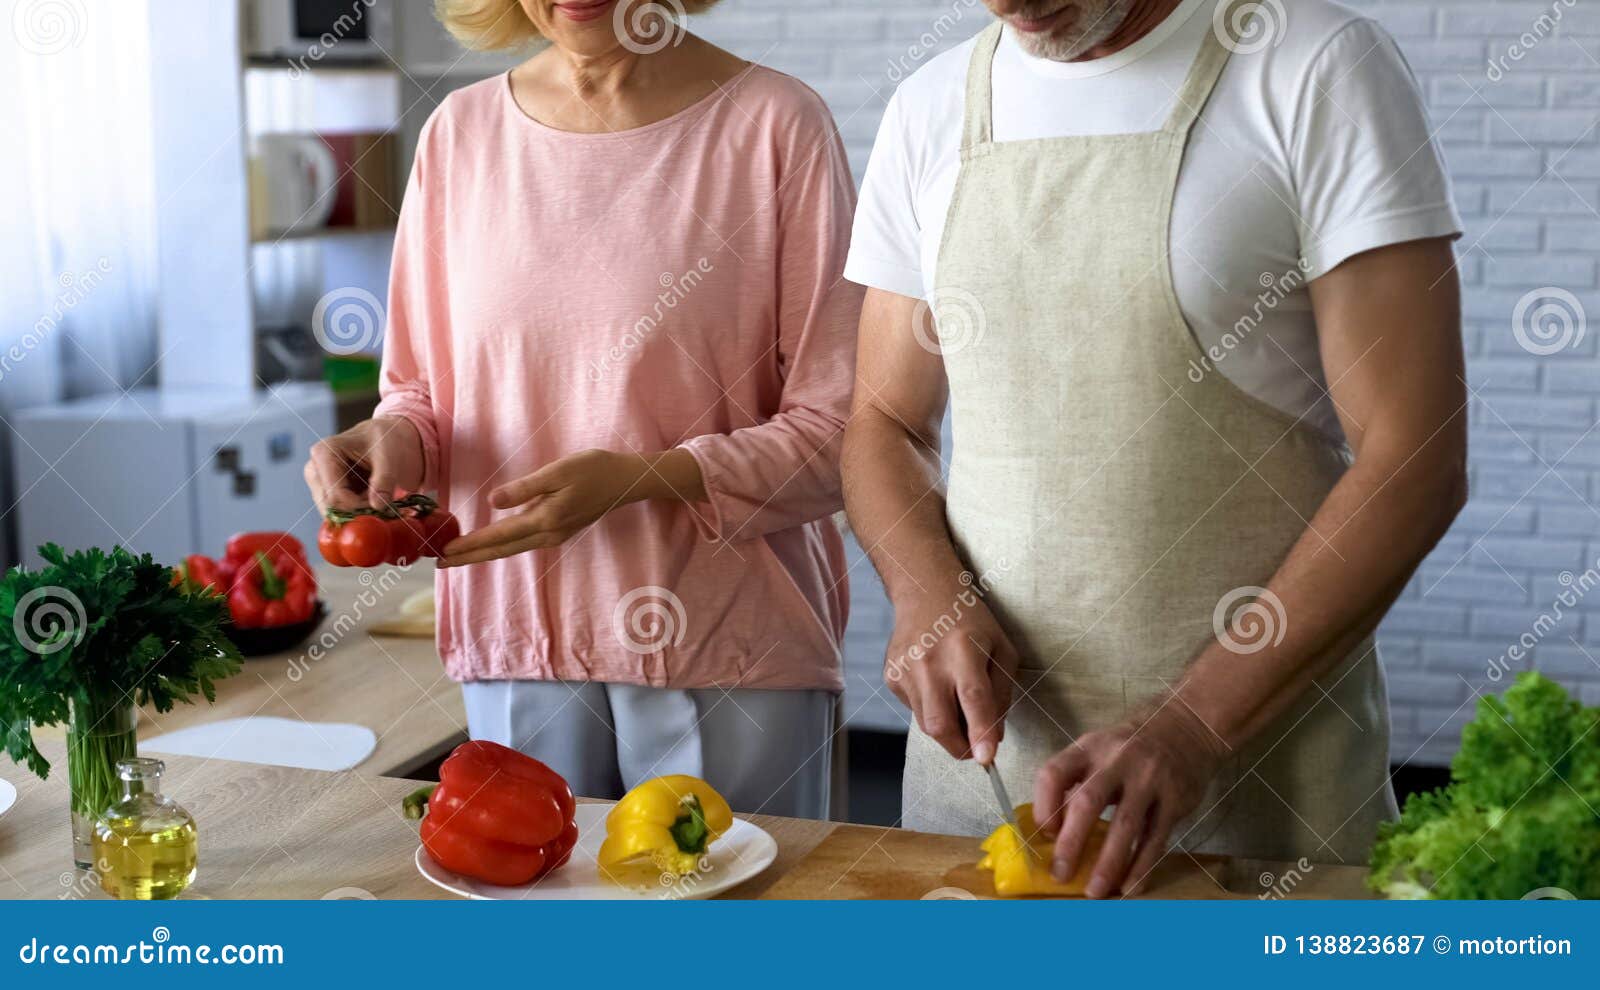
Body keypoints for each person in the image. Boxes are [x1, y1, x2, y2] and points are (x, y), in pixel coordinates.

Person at [842, 0, 1466, 894]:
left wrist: (1190, 730)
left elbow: (1416, 455)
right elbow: (884, 420)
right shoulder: (931, 106)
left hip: (1265, 794)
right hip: (986, 791)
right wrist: (922, 589)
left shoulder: (1316, 68)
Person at [303, 0, 863, 820]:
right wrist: (385, 440)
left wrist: (646, 478)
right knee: (541, 941)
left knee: (730, 942)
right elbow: (422, 395)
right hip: (518, 635)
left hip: (725, 645)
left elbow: (841, 431)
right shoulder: (461, 137)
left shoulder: (775, 126)